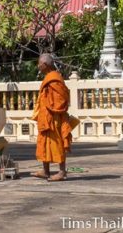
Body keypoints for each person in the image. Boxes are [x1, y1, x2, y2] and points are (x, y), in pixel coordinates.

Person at [30, 53, 78, 181]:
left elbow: (62, 99)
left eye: (39, 63)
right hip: (45, 117)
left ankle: (62, 172)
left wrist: (51, 108)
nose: (38, 66)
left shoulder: (55, 79)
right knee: (44, 143)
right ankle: (46, 171)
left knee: (58, 143)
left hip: (54, 118)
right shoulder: (48, 78)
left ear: (45, 65)